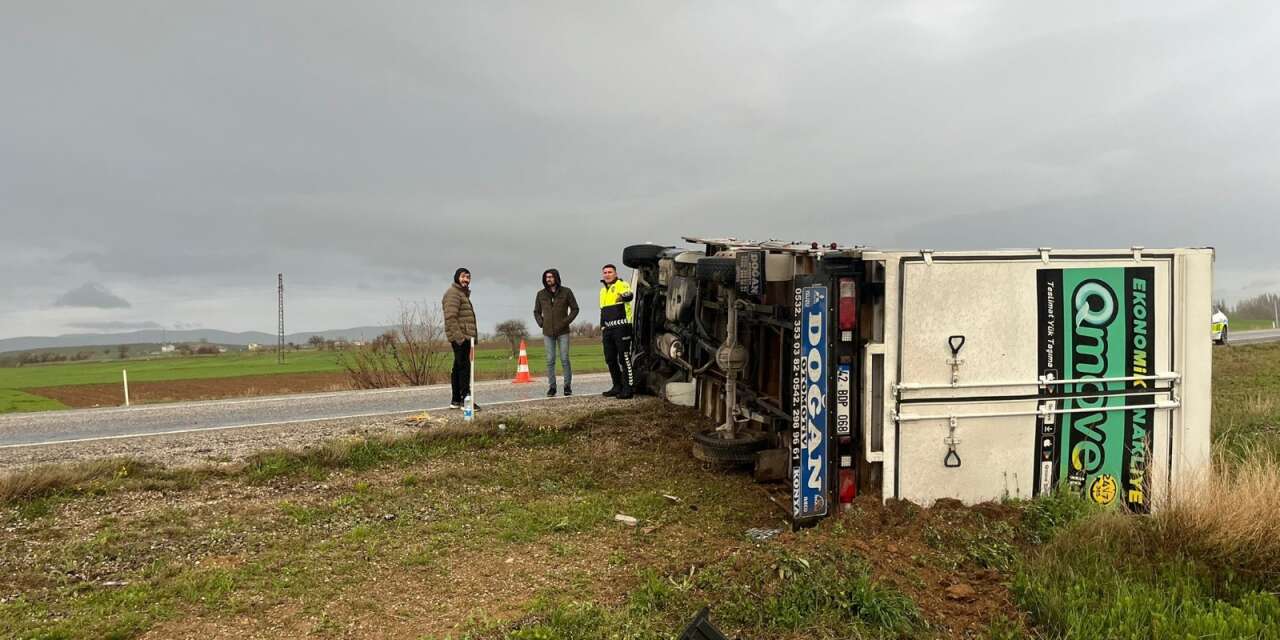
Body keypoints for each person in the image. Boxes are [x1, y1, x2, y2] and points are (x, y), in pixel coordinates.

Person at [533, 269, 579, 397]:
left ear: (556, 278)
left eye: (551, 277)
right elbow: (536, 311)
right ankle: (552, 387)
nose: (548, 279)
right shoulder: (540, 294)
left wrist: (565, 322)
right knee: (550, 360)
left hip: (563, 331)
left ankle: (567, 386)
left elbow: (575, 309)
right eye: (547, 277)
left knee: (564, 359)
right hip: (547, 332)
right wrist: (541, 323)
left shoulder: (566, 292)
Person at [442, 267, 479, 410]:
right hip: (461, 337)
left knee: (458, 367)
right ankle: (466, 400)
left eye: (468, 277)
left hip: (465, 336)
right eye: (463, 276)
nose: (466, 280)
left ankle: (456, 400)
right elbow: (450, 317)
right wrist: (460, 338)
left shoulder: (462, 294)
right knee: (464, 368)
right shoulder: (453, 293)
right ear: (457, 277)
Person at [598, 263, 635, 399]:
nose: (607, 275)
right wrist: (602, 326)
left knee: (624, 358)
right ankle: (617, 386)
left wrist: (624, 296)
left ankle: (628, 388)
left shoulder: (622, 284)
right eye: (605, 272)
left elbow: (629, 295)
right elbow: (602, 310)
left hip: (622, 327)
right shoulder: (602, 291)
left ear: (615, 274)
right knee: (610, 358)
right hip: (608, 329)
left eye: (610, 272)